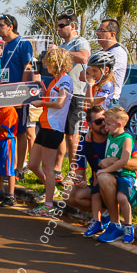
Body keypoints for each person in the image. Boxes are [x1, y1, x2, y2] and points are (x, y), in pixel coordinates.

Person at [72, 105, 137, 237]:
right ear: (89, 125)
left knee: (103, 177)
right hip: (101, 184)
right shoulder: (86, 143)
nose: (103, 124)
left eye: (105, 120)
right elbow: (79, 173)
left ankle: (115, 222)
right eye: (99, 122)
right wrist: (79, 181)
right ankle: (101, 218)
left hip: (123, 182)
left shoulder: (120, 137)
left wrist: (114, 160)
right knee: (70, 193)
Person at [26, 47, 73, 216]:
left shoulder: (65, 81)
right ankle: (50, 192)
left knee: (48, 167)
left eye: (49, 63)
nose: (47, 67)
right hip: (45, 125)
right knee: (32, 164)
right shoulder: (55, 80)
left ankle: (48, 205)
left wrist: (42, 104)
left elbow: (60, 103)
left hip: (54, 127)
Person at [93, 107, 137, 243]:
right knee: (99, 191)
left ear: (119, 124)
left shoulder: (127, 138)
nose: (105, 127)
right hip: (114, 175)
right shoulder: (110, 135)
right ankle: (109, 222)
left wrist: (107, 170)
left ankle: (128, 226)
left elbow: (124, 160)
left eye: (108, 124)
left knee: (121, 198)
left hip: (125, 175)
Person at [0, 14, 34, 177]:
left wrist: (21, 90)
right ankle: (8, 165)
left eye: (1, 25)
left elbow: (28, 66)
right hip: (5, 95)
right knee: (9, 129)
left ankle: (19, 167)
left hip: (18, 94)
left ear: (10, 26)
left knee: (21, 131)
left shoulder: (23, 43)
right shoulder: (6, 45)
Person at [55, 13, 92, 176]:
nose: (58, 29)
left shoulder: (80, 41)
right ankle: (57, 170)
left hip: (76, 94)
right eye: (58, 26)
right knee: (60, 134)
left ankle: (74, 172)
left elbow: (84, 57)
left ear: (73, 26)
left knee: (72, 136)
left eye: (62, 25)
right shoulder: (63, 45)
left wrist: (60, 52)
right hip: (62, 94)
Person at [0, 106, 18, 207]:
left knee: (9, 168)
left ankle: (11, 195)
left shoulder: (10, 110)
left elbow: (5, 126)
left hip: (7, 140)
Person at [95, 19, 129, 103]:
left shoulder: (118, 53)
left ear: (112, 34)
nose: (97, 33)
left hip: (108, 100)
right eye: (98, 30)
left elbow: (99, 74)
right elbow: (86, 74)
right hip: (96, 99)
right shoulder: (100, 53)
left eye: (102, 31)